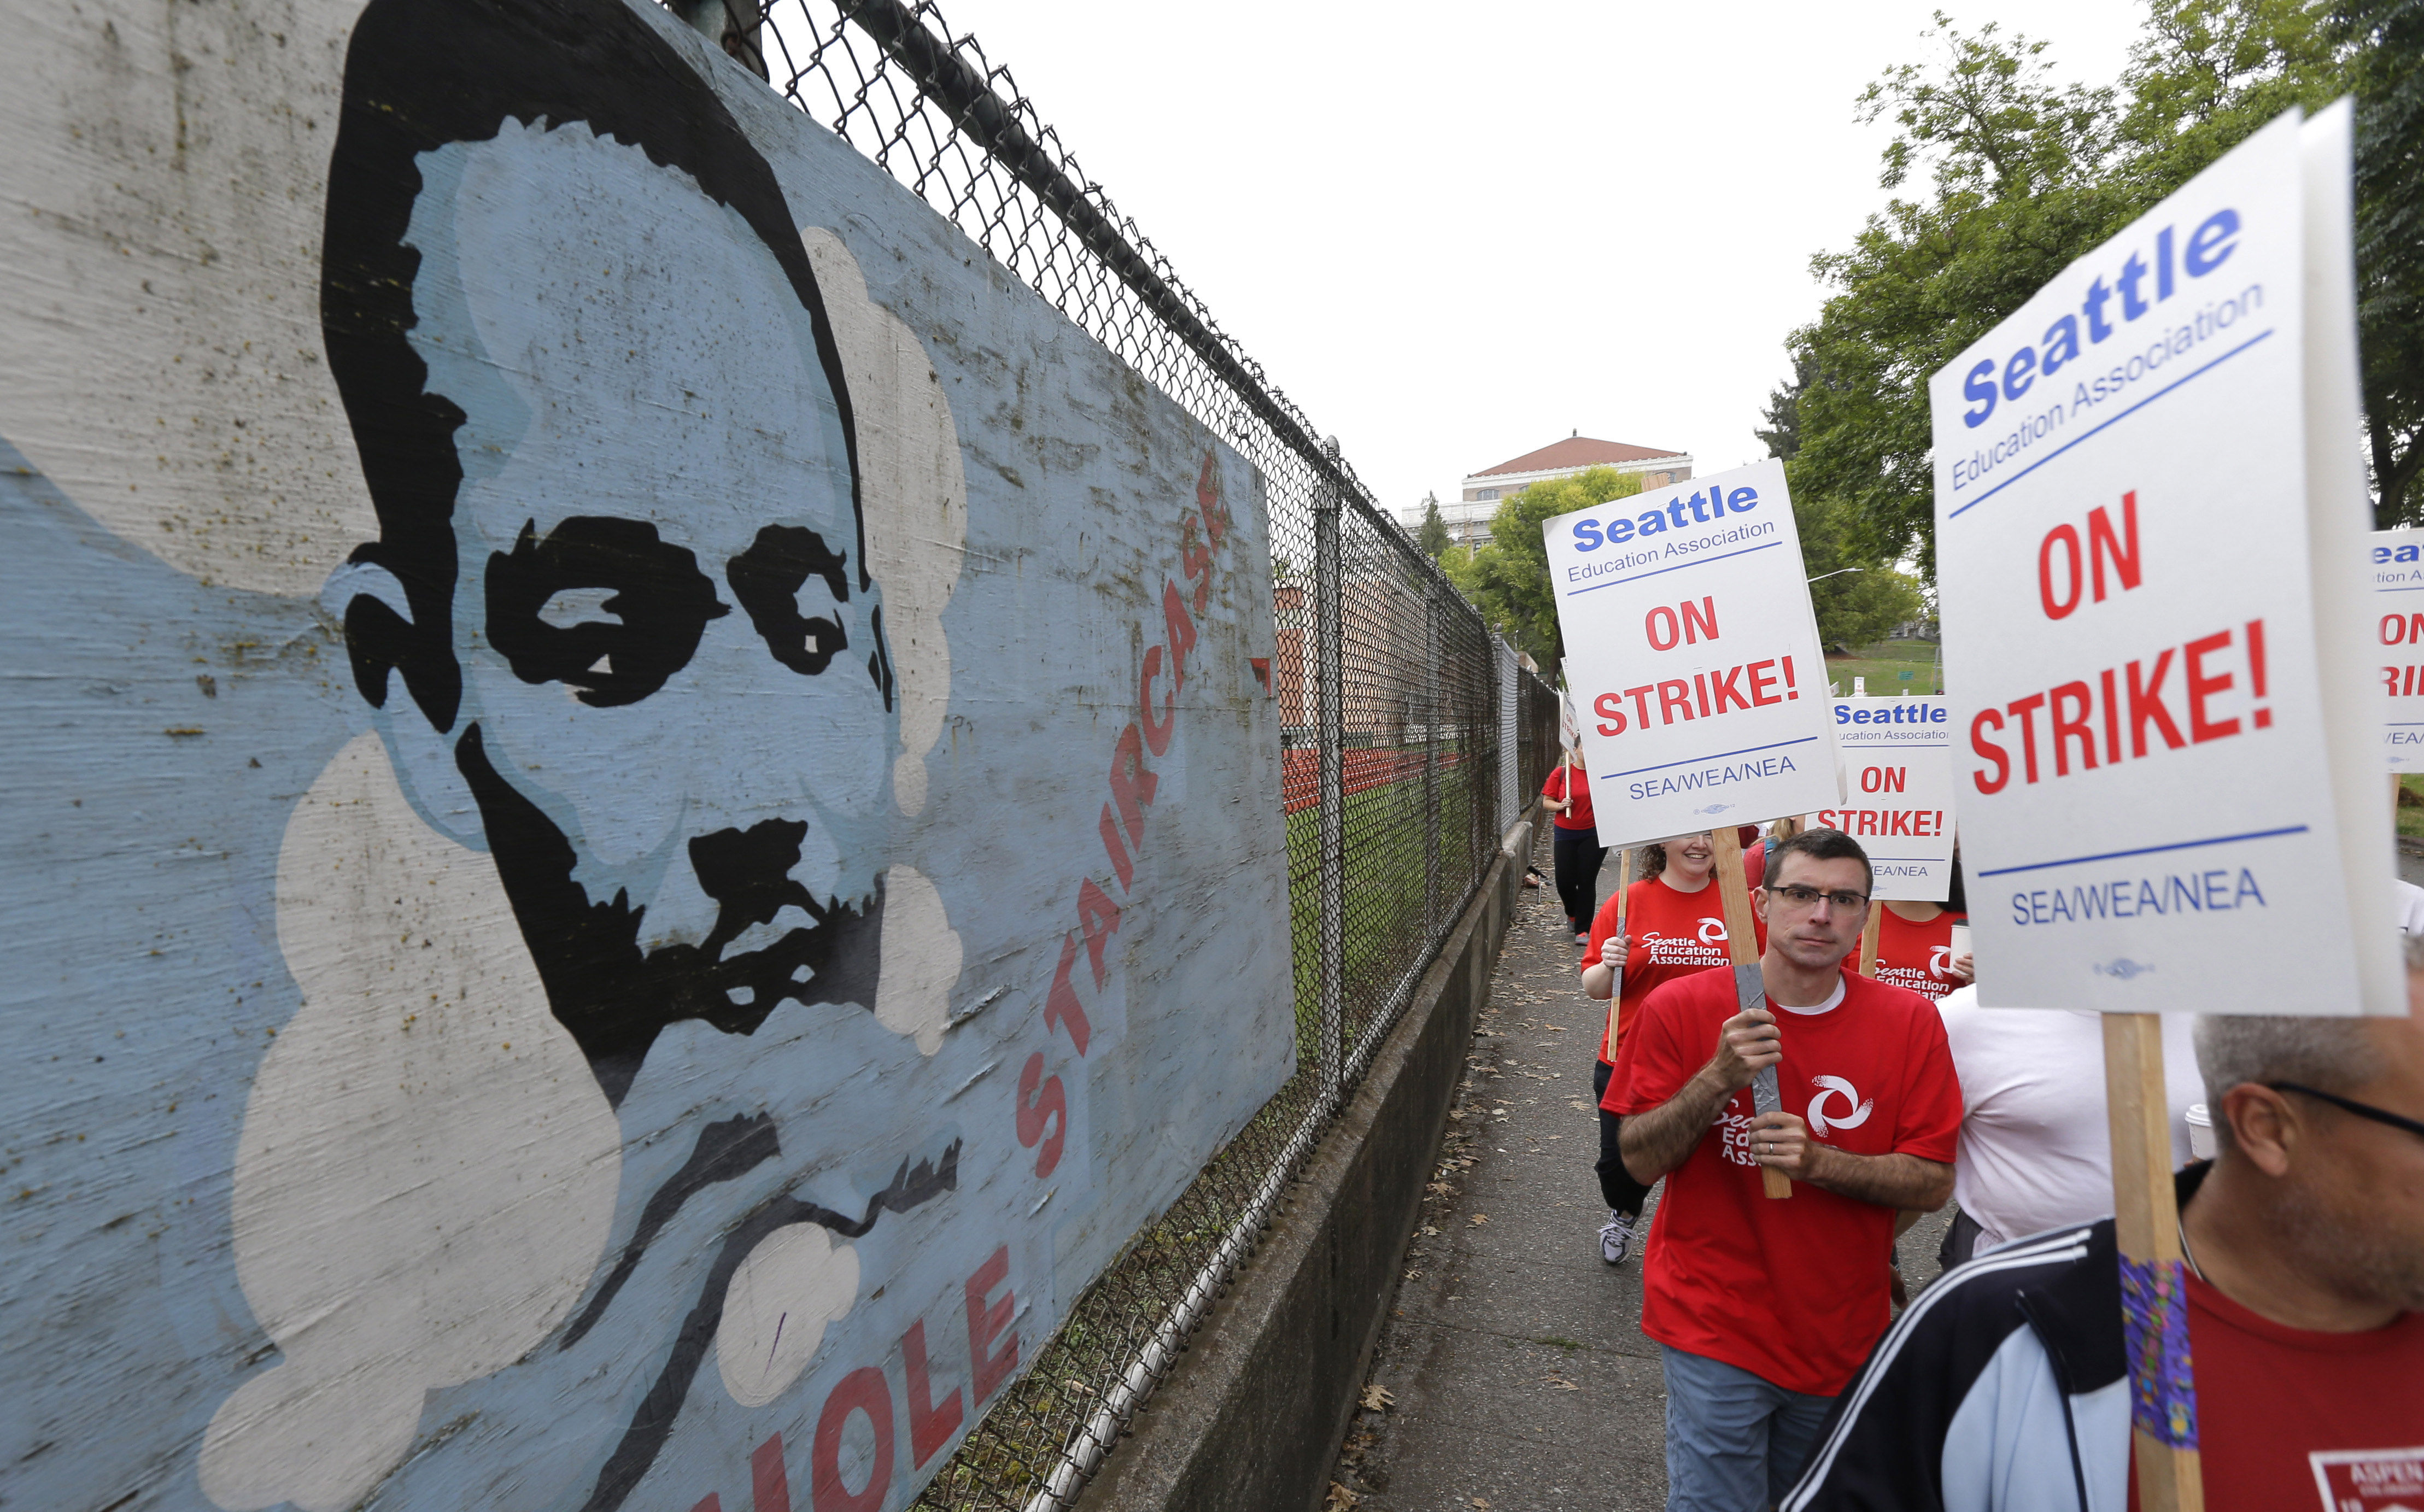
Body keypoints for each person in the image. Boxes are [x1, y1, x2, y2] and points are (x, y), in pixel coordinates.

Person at [1783, 957, 2424, 1512]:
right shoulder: (1987, 1339)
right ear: (2264, 1126)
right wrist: (1862, 1259)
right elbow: (1919, 1157)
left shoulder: (2203, 1016)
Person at [1607, 828, 1962, 1511]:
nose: (1821, 914)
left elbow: (1932, 1181)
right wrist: (1718, 1077)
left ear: (1865, 915)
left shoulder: (1910, 1023)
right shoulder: (1682, 1008)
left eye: (1843, 899)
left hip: (1839, 1332)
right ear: (1762, 905)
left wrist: (1819, 1162)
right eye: (1800, 893)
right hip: (1713, 1322)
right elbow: (1638, 1161)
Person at [1579, 832, 1766, 1264]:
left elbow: (1765, 974)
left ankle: (1702, 1248)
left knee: (1712, 1168)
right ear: (1661, 842)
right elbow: (1592, 988)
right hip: (1630, 1057)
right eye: (1688, 835)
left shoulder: (1739, 904)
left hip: (1716, 1061)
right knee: (1620, 1167)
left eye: (1710, 835)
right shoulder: (1627, 903)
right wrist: (1609, 965)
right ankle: (1624, 1212)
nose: (1700, 844)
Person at [1933, 983, 2201, 1267]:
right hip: (2014, 1270)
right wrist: (1881, 1251)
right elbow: (1905, 1146)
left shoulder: (2226, 1017)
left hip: (2166, 1274)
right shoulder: (1968, 1015)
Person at [1543, 749, 1605, 944]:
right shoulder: (1561, 773)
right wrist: (1561, 805)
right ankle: (1572, 913)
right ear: (1575, 749)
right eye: (1583, 746)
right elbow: (1547, 802)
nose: (1587, 750)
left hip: (1594, 833)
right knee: (1564, 881)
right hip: (1565, 833)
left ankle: (1583, 930)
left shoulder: (1601, 772)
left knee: (1586, 880)